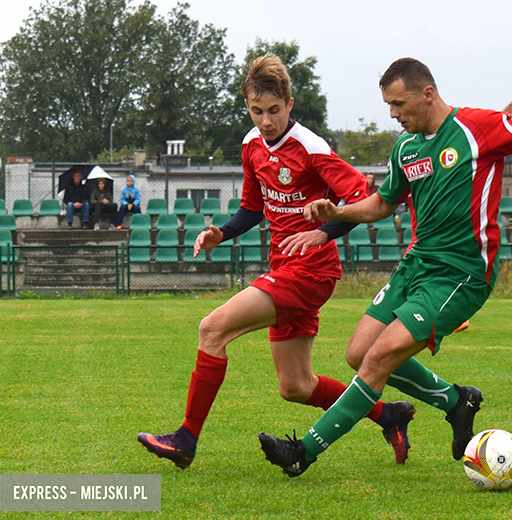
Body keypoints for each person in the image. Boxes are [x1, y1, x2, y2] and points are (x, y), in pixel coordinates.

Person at [257, 57, 512, 478]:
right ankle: (456, 401)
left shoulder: (480, 127)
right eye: (388, 105)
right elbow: (383, 204)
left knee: (378, 359)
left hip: (461, 272)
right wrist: (338, 213)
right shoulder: (406, 148)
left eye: (399, 103)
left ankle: (303, 451)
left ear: (428, 94)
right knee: (357, 354)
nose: (393, 114)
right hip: (417, 265)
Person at [137, 55, 415, 470]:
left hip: (312, 270)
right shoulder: (252, 145)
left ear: (289, 103)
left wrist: (322, 231)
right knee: (297, 386)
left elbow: (361, 202)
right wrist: (222, 233)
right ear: (247, 106)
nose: (266, 121)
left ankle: (186, 438)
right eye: (256, 111)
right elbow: (251, 208)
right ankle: (387, 415)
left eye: (274, 110)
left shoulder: (311, 148)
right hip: (285, 268)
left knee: (211, 329)